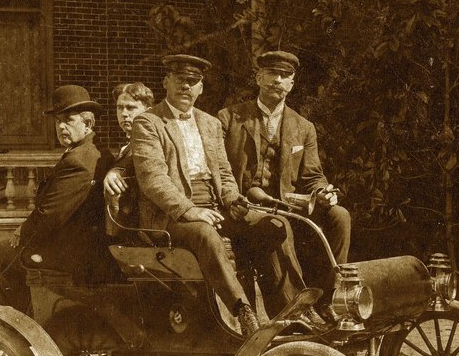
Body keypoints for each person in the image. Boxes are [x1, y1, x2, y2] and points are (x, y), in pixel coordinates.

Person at [129, 54, 307, 336]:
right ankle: (243, 311)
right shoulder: (148, 122)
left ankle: (291, 311)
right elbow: (153, 180)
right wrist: (190, 210)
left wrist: (233, 199)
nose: (186, 87)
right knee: (205, 234)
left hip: (214, 206)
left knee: (275, 225)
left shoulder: (210, 123)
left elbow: (224, 172)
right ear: (166, 83)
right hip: (171, 216)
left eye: (193, 82)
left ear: (201, 88)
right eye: (180, 80)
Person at [218, 50, 352, 293]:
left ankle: (331, 299)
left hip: (287, 208)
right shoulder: (229, 118)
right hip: (241, 209)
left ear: (292, 84)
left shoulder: (304, 127)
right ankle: (295, 307)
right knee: (278, 225)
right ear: (258, 78)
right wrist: (230, 199)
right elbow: (216, 167)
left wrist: (322, 192)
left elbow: (312, 176)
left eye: (284, 75)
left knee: (339, 216)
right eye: (271, 73)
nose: (277, 80)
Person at [0, 84, 114, 316]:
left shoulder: (79, 161)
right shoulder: (90, 152)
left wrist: (23, 231)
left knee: (2, 254)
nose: (61, 127)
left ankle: (22, 320)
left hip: (74, 252)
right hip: (79, 242)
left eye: (69, 120)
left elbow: (50, 215)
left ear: (88, 124)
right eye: (58, 121)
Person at [103, 81, 155, 232]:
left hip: (142, 225)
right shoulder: (128, 144)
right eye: (120, 108)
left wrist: (116, 171)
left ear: (148, 111)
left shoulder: (151, 142)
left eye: (131, 108)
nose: (124, 113)